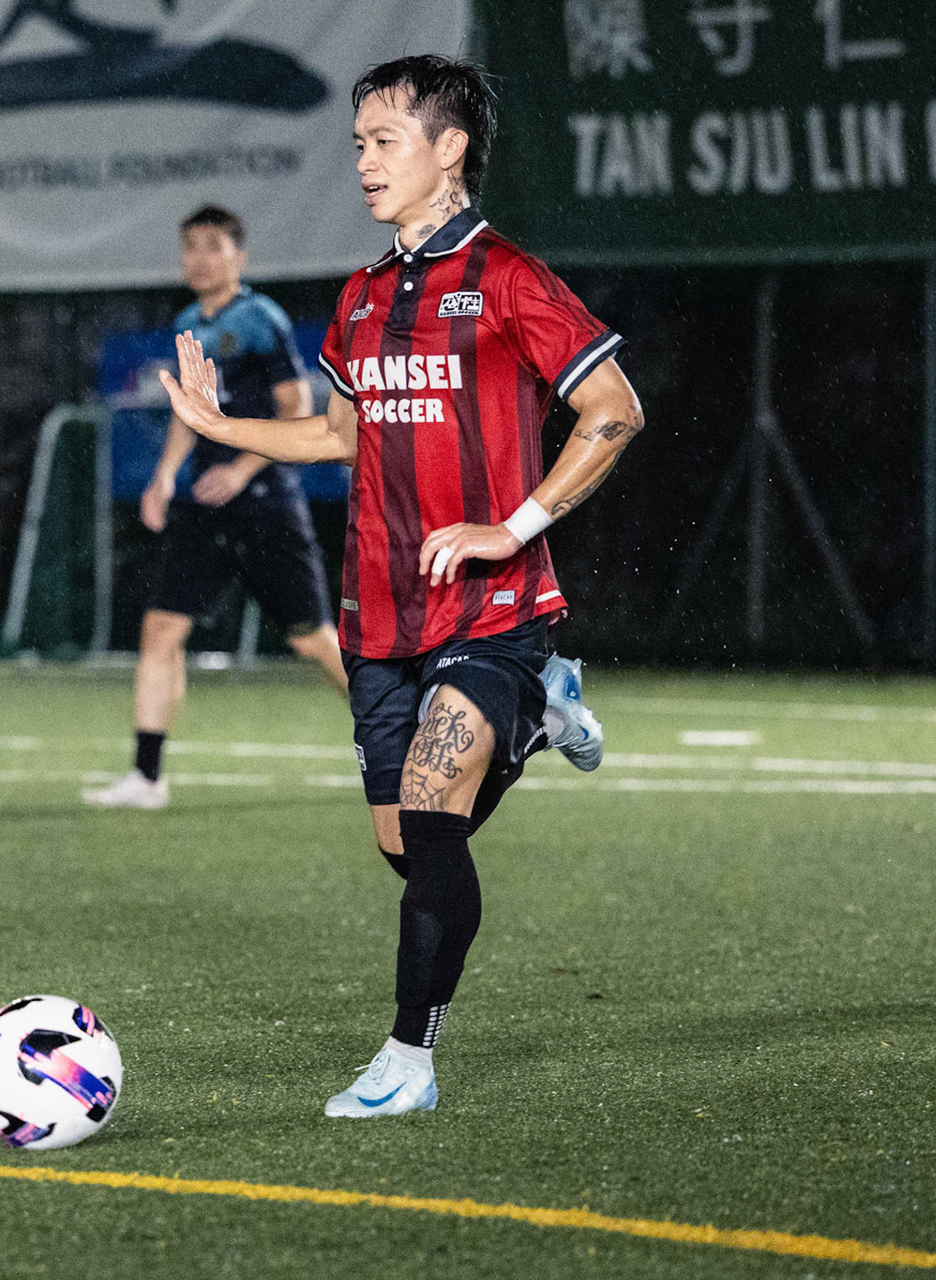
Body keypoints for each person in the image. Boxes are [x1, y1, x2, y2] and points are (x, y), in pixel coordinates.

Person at [156, 56, 644, 1116]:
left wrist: (508, 526)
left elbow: (613, 408)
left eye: (385, 140)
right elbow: (339, 432)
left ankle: (407, 1059)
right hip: (377, 612)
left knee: (430, 814)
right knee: (408, 845)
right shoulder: (365, 295)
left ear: (450, 149)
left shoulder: (509, 277)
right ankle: (544, 718)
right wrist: (218, 424)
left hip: (494, 606)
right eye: (359, 143)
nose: (365, 161)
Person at [82, 205, 349, 810]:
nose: (199, 258)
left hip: (262, 501)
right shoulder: (187, 323)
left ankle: (395, 739)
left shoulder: (261, 319)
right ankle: (147, 777)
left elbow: (296, 405)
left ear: (240, 256)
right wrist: (164, 478)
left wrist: (242, 467)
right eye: (190, 247)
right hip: (204, 504)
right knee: (161, 628)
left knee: (312, 638)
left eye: (213, 246)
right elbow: (190, 413)